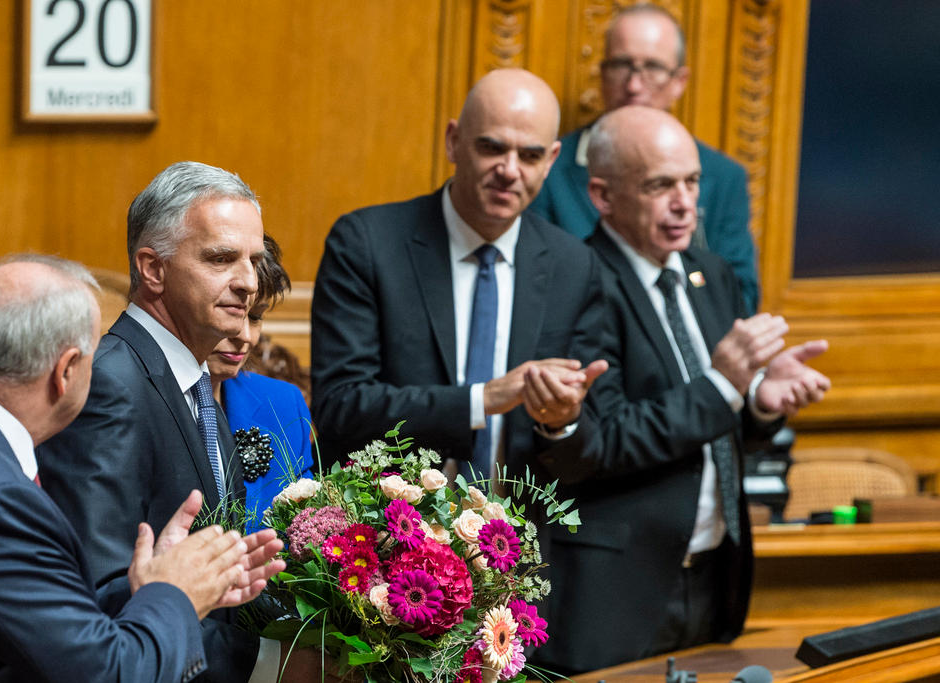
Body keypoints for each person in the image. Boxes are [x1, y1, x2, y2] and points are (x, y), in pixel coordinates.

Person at [531, 107, 830, 674]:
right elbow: (602, 440)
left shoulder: (710, 273)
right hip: (617, 590)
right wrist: (724, 384)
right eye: (659, 185)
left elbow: (714, 417)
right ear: (603, 194)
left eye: (691, 182)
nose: (684, 202)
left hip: (712, 573)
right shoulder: (579, 282)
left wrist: (759, 404)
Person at [0, 255, 285, 682]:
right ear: (67, 370)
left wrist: (145, 586)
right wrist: (175, 594)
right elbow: (108, 674)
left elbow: (36, 619)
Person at [311, 68, 607, 484]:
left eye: (530, 155)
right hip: (382, 531)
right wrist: (481, 400)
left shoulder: (574, 265)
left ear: (551, 161)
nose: (509, 170)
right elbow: (340, 407)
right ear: (454, 141)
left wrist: (561, 421)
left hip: (515, 538)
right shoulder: (367, 243)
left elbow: (586, 455)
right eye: (492, 147)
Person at [38, 161, 270, 681]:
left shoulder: (190, 374)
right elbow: (102, 591)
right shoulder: (111, 386)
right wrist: (268, 664)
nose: (249, 282)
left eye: (253, 260)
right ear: (153, 269)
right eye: (221, 259)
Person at [530, 3, 760, 315]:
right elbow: (537, 286)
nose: (634, 86)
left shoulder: (722, 176)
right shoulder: (549, 170)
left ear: (680, 81)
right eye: (622, 66)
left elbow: (740, 295)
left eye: (652, 68)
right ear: (602, 73)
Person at [208, 234, 314, 532]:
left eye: (254, 317)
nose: (244, 336)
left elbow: (307, 535)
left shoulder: (283, 404)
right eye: (231, 310)